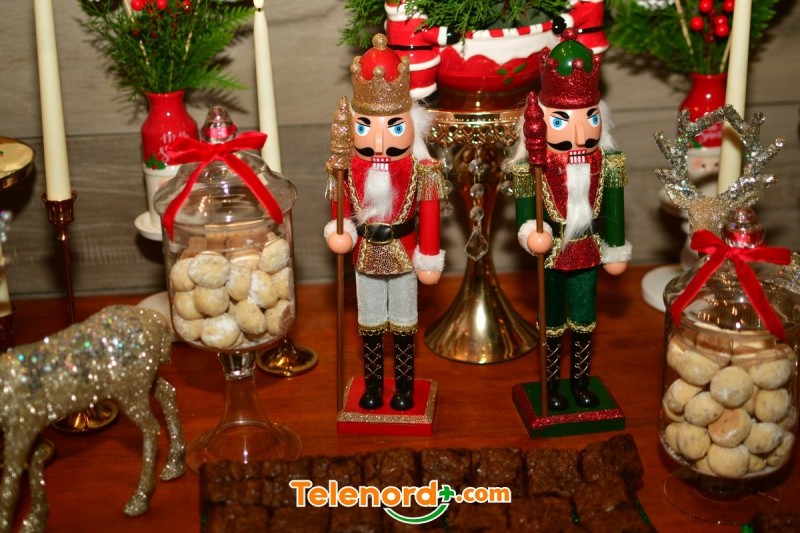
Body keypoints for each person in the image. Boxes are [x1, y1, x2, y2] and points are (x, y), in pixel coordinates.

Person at [510, 30, 631, 411]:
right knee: (551, 323)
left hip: (588, 252)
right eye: (562, 121)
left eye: (589, 118)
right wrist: (531, 234)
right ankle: (551, 385)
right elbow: (525, 215)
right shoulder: (532, 168)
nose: (579, 133)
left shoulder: (608, 163)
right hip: (550, 255)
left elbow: (614, 208)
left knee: (584, 320)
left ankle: (579, 382)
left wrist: (615, 247)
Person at [325, 34, 445, 411]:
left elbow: (429, 213)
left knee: (405, 323)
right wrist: (340, 231)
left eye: (393, 127)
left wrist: (429, 255)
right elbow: (340, 206)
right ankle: (374, 386)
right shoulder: (346, 168)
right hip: (364, 255)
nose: (379, 141)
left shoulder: (422, 170)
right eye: (365, 127)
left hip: (406, 255)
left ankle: (404, 388)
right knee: (371, 324)